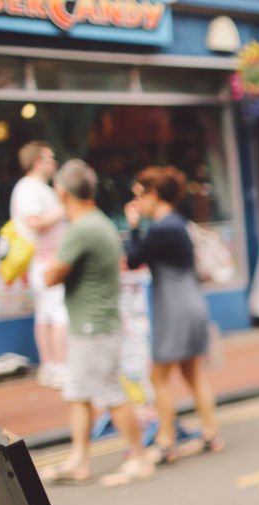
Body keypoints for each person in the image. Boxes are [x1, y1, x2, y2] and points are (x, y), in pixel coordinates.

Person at [41, 160, 152, 487]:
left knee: (110, 393)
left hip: (95, 327)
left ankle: (140, 458)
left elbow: (51, 275)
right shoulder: (97, 222)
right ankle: (79, 460)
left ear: (62, 192)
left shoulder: (83, 229)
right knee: (78, 394)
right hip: (90, 324)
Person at [124, 166, 223, 464]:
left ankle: (166, 442)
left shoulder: (163, 227)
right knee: (193, 373)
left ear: (154, 195)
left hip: (174, 307)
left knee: (158, 376)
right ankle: (210, 433)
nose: (137, 203)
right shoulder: (178, 224)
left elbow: (132, 258)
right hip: (191, 302)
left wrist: (132, 225)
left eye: (139, 196)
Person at [11, 141, 68, 388]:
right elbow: (34, 222)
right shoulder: (29, 188)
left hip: (44, 261)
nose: (53, 163)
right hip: (46, 261)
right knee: (58, 314)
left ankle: (51, 366)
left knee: (47, 315)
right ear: (37, 161)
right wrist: (64, 209)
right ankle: (58, 367)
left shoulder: (34, 188)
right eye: (49, 158)